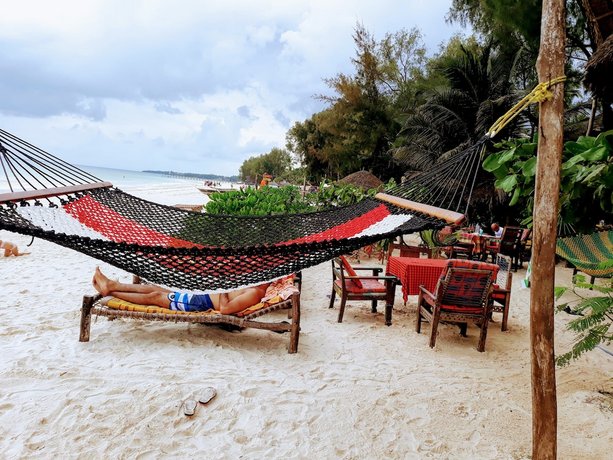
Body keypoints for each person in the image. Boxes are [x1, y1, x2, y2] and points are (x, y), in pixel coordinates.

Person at [92, 267, 270, 315]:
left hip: (200, 302)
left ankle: (111, 293)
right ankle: (112, 285)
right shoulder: (251, 284)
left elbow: (225, 309)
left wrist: (223, 287)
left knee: (155, 296)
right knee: (156, 288)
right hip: (202, 294)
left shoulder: (255, 292)